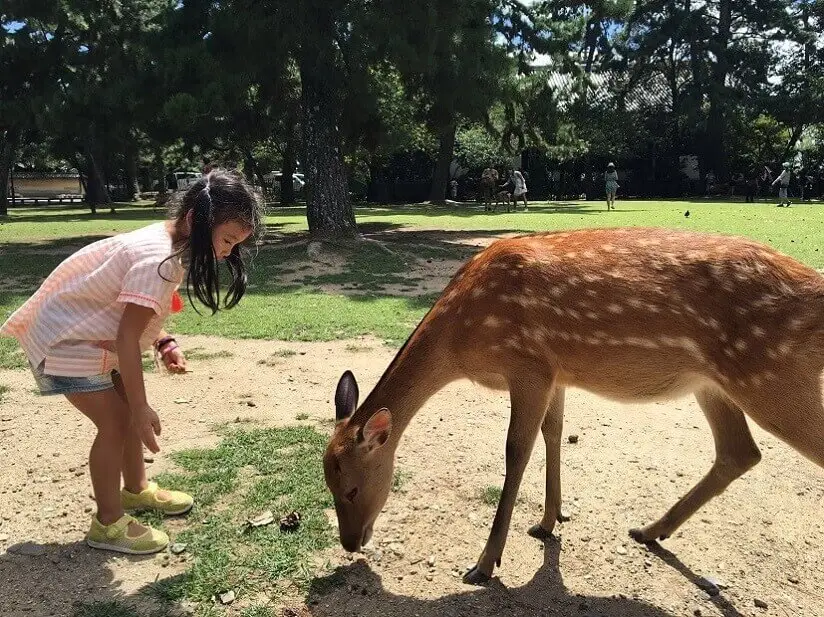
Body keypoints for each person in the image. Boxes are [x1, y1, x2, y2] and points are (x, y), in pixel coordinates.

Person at [0, 169, 263, 555]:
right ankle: (107, 524)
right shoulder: (156, 259)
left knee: (124, 413)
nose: (226, 253)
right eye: (226, 240)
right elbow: (127, 337)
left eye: (235, 245)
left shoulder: (168, 245)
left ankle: (136, 490)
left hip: (89, 338)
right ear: (195, 219)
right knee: (118, 421)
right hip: (66, 343)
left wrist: (164, 341)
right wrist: (141, 408)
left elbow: (136, 316)